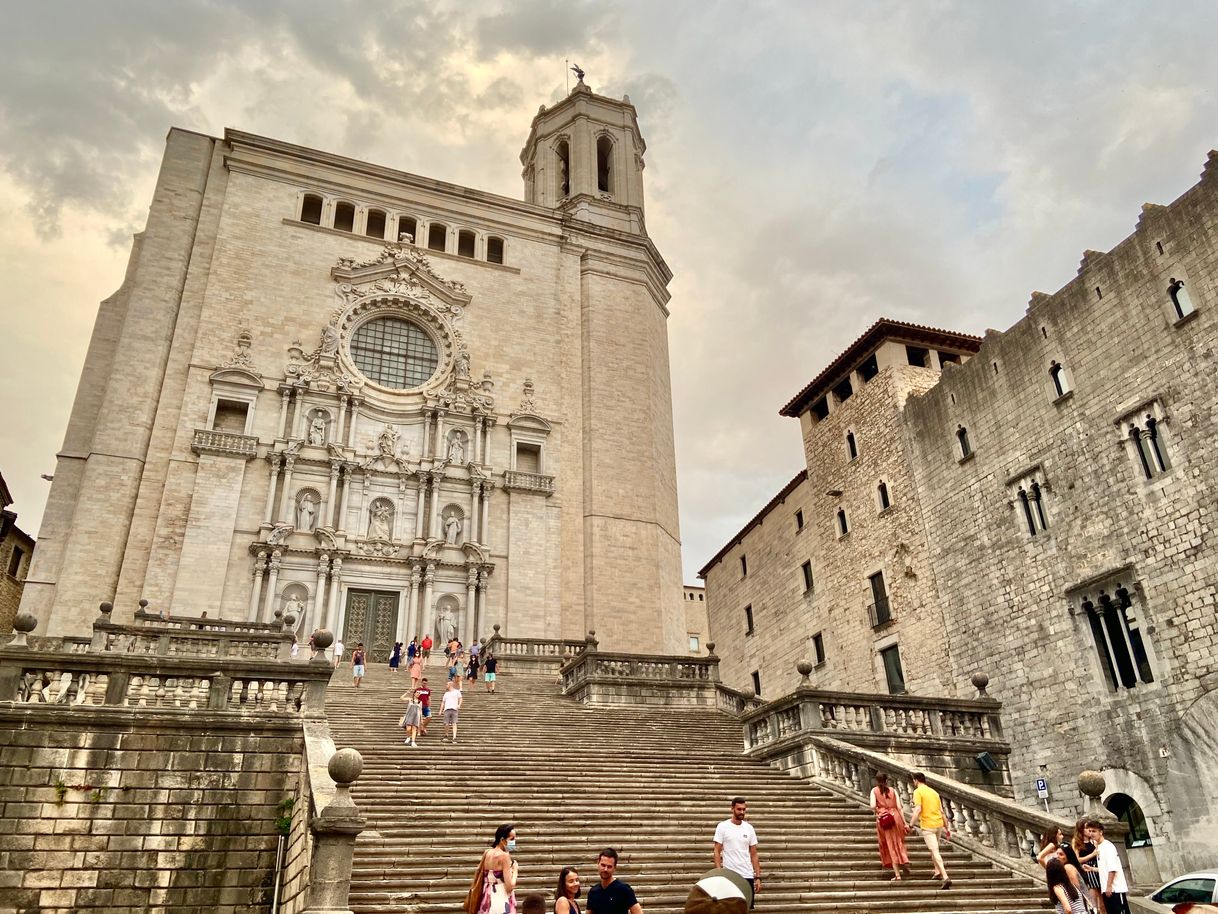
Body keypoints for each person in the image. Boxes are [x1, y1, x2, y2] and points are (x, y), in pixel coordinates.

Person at [713, 797, 760, 904]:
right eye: (739, 809)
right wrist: (719, 871)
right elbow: (716, 851)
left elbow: (754, 854)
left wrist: (758, 877)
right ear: (732, 809)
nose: (742, 812)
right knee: (729, 907)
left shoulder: (749, 828)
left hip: (747, 875)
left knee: (745, 908)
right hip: (730, 875)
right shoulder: (723, 827)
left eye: (744, 809)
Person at [909, 772, 950, 889]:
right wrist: (947, 827)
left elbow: (917, 809)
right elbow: (942, 811)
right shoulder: (934, 792)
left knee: (934, 850)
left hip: (928, 825)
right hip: (938, 824)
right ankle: (937, 871)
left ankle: (945, 876)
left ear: (916, 781)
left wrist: (911, 825)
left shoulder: (918, 792)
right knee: (934, 849)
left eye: (913, 780)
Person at [869, 773, 910, 880]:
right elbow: (900, 807)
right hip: (895, 817)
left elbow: (872, 806)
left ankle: (897, 875)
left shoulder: (874, 791)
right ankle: (904, 860)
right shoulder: (893, 790)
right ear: (886, 780)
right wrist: (905, 823)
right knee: (899, 841)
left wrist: (878, 809)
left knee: (889, 844)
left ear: (876, 780)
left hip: (884, 818)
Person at [1088, 820, 1129, 914]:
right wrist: (1091, 869)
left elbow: (1112, 869)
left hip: (1115, 890)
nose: (1091, 834)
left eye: (1094, 831)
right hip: (1106, 890)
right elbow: (1105, 869)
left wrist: (1109, 886)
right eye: (1090, 831)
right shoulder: (1099, 847)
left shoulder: (1108, 846)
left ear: (1100, 832)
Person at [477, 823, 519, 914]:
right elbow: (509, 886)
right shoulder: (504, 856)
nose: (514, 842)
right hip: (500, 899)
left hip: (486, 899)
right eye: (512, 839)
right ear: (502, 840)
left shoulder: (487, 853)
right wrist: (515, 871)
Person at [587, 848, 642, 914]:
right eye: (603, 865)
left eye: (609, 866)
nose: (605, 869)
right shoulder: (593, 892)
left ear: (615, 868)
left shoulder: (624, 890)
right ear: (598, 863)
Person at [1073, 819, 1104, 914]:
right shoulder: (1077, 841)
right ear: (1081, 829)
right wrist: (1092, 855)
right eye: (1086, 828)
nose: (1089, 831)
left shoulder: (1093, 840)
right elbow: (1077, 859)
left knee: (1103, 902)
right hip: (1087, 870)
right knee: (1093, 902)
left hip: (1096, 868)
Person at [442, 678, 463, 743]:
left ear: (450, 685)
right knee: (446, 723)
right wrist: (441, 710)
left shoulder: (457, 691)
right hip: (447, 709)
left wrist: (459, 705)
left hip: (454, 709)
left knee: (454, 723)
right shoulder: (446, 693)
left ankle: (454, 737)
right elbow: (443, 702)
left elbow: (461, 698)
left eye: (447, 684)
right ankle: (446, 735)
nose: (446, 685)